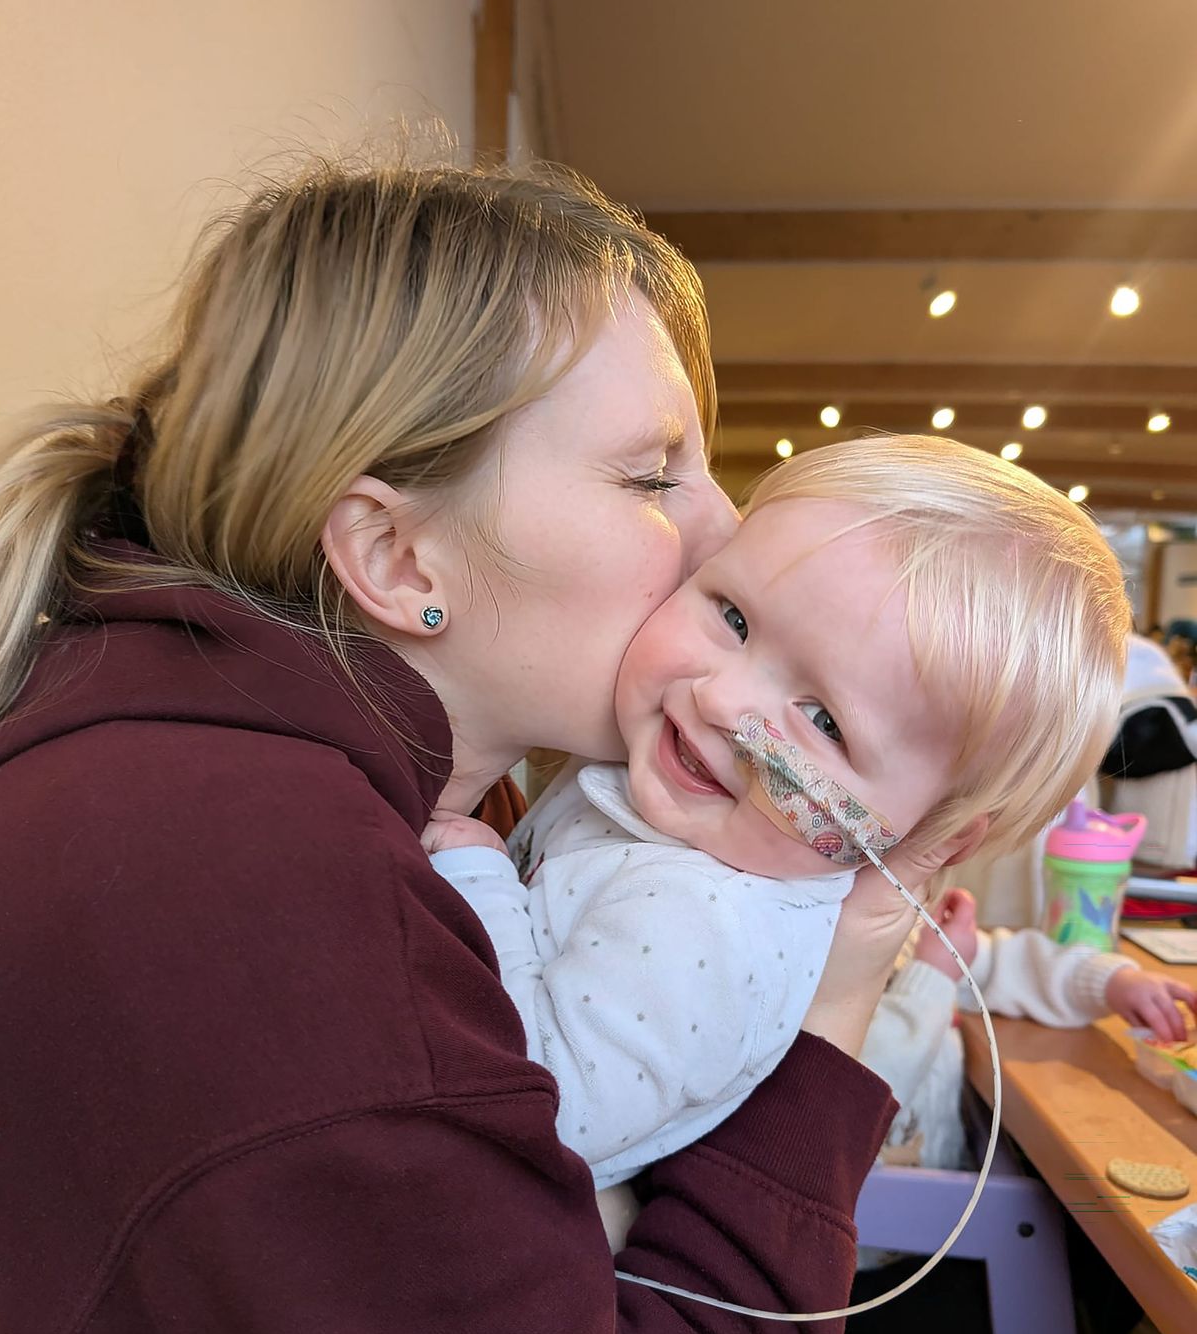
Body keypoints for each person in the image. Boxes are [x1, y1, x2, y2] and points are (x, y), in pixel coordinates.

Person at [0, 155, 1189, 1334]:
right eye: (652, 473)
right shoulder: (270, 899)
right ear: (396, 557)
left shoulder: (360, 781)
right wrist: (835, 1020)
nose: (725, 525)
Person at [423, 436, 1131, 1200]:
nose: (722, 701)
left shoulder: (711, 924)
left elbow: (541, 1110)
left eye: (824, 722)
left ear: (928, 838)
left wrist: (475, 879)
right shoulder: (671, 788)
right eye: (734, 617)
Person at [862, 885, 1195, 1181]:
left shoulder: (897, 924)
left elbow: (1001, 962)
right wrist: (933, 975)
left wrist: (1110, 982)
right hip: (875, 1215)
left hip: (941, 1179)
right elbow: (860, 1087)